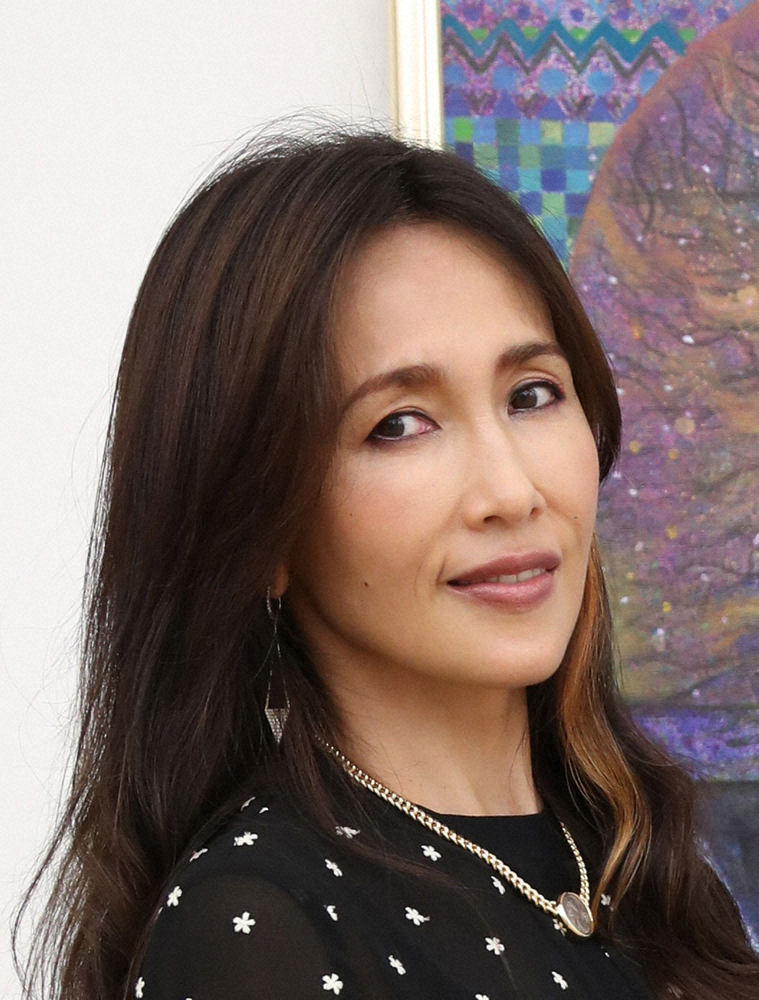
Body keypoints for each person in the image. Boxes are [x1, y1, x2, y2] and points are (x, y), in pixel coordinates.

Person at [14, 123, 759, 1000]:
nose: (511, 490)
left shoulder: (648, 866)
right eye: (398, 425)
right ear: (258, 525)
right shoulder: (258, 926)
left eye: (531, 395)